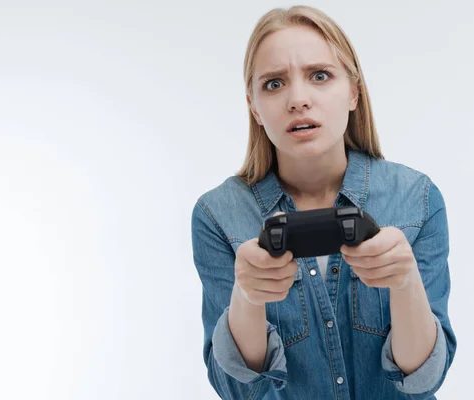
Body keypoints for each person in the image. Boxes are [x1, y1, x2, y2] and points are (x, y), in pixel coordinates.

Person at [190, 5, 456, 399]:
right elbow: (235, 390)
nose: (298, 99)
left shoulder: (416, 198)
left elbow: (423, 380)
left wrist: (405, 283)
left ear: (353, 91)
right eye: (274, 84)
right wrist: (246, 296)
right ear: (254, 107)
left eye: (320, 76)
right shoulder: (217, 215)